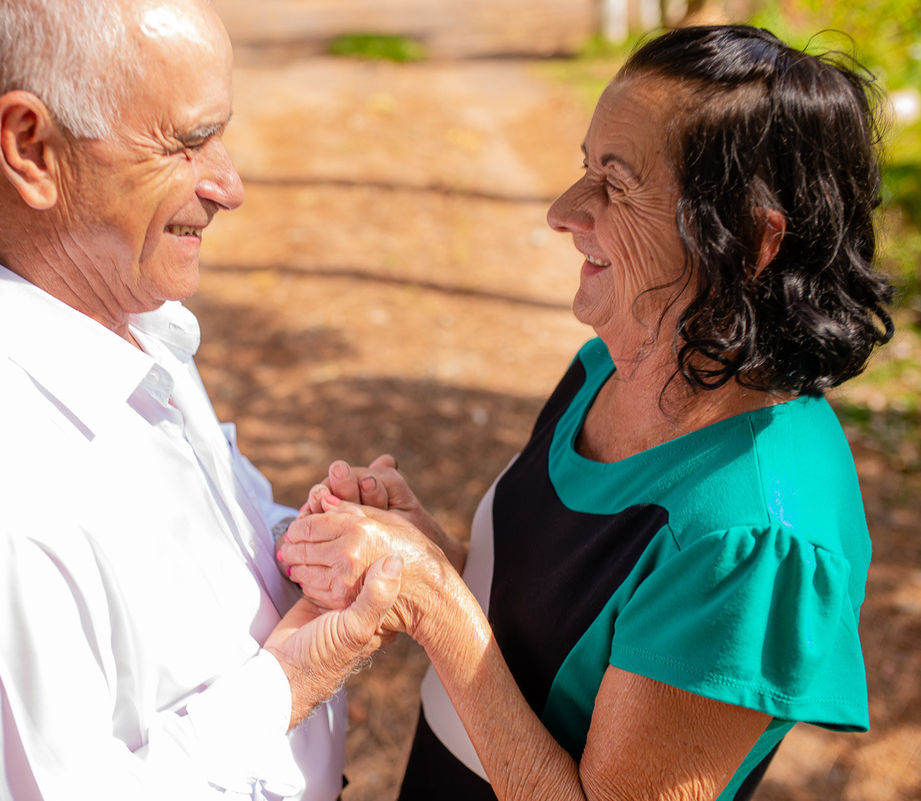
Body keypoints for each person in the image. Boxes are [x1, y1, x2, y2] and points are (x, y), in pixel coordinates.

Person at [280, 25, 893, 801]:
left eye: (618, 182)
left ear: (748, 238)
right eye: (584, 166)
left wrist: (435, 601)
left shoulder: (757, 537)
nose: (564, 211)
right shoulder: (612, 361)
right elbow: (554, 633)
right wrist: (419, 552)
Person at [0, 0, 400, 798]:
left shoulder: (131, 325)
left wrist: (309, 543)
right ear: (31, 149)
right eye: (185, 141)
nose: (229, 185)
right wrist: (297, 672)